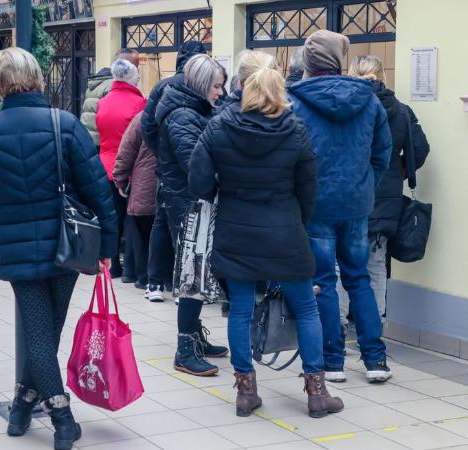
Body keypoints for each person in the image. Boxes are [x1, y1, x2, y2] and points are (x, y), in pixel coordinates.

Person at [0, 47, 117, 450]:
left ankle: (22, 404)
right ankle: (62, 416)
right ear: (37, 76)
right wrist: (109, 244)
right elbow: (98, 190)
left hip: (18, 248)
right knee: (47, 331)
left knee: (39, 331)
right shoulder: (64, 125)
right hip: (68, 244)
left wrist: (1, 229)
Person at [190, 55, 344, 419]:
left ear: (243, 87)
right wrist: (296, 222)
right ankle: (317, 392)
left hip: (236, 231)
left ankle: (246, 391)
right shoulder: (295, 130)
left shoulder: (219, 127)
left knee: (240, 312)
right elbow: (309, 188)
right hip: (285, 232)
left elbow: (197, 183)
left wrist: (224, 192)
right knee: (306, 308)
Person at [287, 30, 393, 384]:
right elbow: (382, 153)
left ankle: (333, 363)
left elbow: (289, 155)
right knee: (359, 279)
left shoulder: (295, 101)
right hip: (356, 204)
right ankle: (375, 360)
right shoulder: (370, 100)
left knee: (323, 282)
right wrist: (365, 186)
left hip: (314, 204)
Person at [338, 55, 430, 326]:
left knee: (343, 265)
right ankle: (373, 328)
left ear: (350, 74)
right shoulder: (401, 110)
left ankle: (339, 327)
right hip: (386, 198)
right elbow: (421, 148)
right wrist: (398, 171)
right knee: (376, 266)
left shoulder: (346, 108)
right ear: (383, 76)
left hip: (350, 196)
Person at [155, 54, 228, 376]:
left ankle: (195, 337)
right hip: (188, 203)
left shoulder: (192, 110)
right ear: (200, 85)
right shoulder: (183, 116)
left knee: (196, 273)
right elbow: (194, 163)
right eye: (216, 86)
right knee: (192, 276)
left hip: (189, 201)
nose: (220, 93)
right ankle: (185, 349)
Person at [141, 40, 207, 302]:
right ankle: (183, 285)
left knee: (161, 222)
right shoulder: (197, 85)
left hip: (166, 169)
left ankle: (155, 283)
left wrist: (162, 151)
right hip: (185, 168)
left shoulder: (162, 86)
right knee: (187, 228)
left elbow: (146, 126)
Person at [95, 58, 147, 283]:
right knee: (133, 221)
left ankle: (113, 265)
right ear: (133, 78)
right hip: (131, 169)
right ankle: (131, 271)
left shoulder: (103, 101)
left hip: (105, 166)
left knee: (112, 218)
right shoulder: (139, 104)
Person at [113, 111, 156, 293]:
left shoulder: (142, 117)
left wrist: (120, 178)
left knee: (141, 232)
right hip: (167, 185)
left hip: (144, 184)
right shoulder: (187, 113)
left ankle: (142, 277)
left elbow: (126, 150)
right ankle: (162, 279)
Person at [81, 48, 140, 148]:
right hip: (103, 143)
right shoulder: (113, 87)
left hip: (89, 139)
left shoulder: (97, 83)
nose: (137, 71)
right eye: (136, 66)